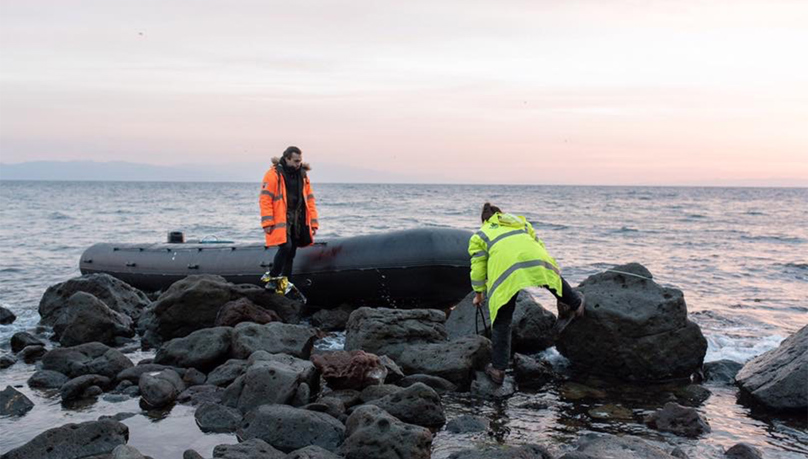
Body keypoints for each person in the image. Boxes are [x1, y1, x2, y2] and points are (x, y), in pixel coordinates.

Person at [469, 202, 585, 384]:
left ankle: (498, 370)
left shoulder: (481, 235)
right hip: (538, 259)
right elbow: (536, 245)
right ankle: (576, 303)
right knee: (548, 278)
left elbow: (478, 268)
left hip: (506, 274)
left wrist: (478, 294)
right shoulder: (521, 223)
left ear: (484, 220)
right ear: (501, 214)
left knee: (502, 321)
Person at [259, 146, 319, 293]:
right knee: (285, 246)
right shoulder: (273, 175)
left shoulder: (303, 175)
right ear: (287, 158)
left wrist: (313, 222)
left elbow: (310, 200)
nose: (298, 164)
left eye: (300, 161)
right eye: (296, 161)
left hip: (298, 217)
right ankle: (272, 276)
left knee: (291, 251)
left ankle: (284, 284)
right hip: (282, 217)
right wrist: (267, 222)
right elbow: (265, 199)